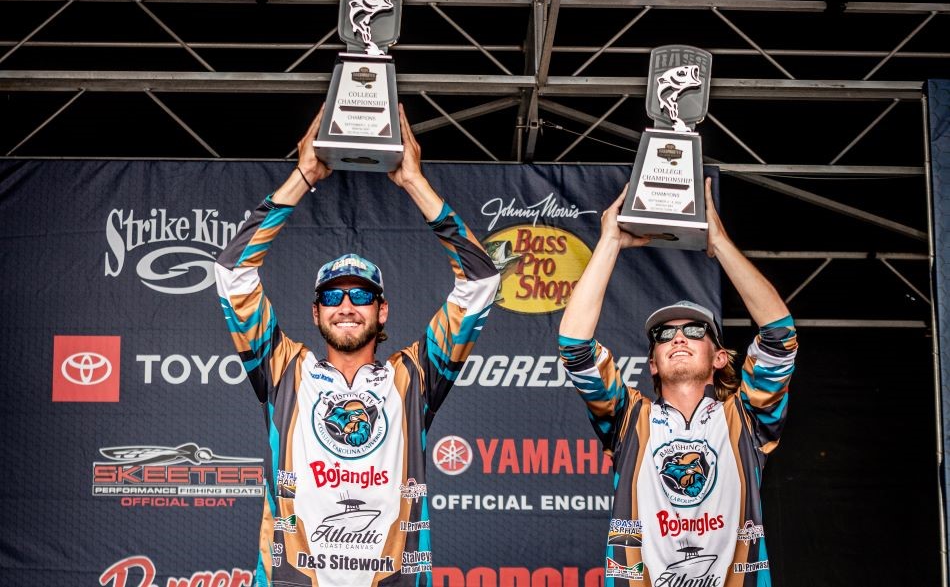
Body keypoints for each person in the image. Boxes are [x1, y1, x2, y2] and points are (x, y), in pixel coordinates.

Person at [214, 105, 501, 587]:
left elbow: (480, 281)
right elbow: (232, 272)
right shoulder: (284, 368)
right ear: (316, 312)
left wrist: (414, 181)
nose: (347, 305)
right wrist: (303, 175)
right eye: (332, 296)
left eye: (362, 295)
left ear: (381, 311)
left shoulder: (413, 378)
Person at [558, 180, 797, 586]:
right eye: (664, 336)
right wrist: (610, 242)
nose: (679, 338)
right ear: (652, 363)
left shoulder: (746, 418)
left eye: (693, 330)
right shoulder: (630, 419)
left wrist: (719, 243)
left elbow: (779, 335)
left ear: (720, 358)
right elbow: (575, 347)